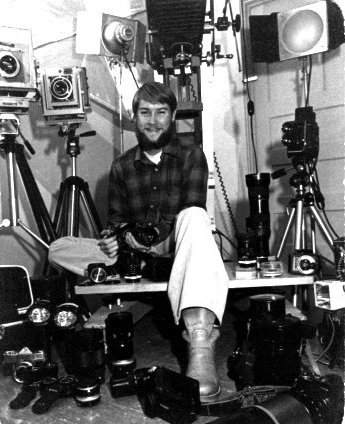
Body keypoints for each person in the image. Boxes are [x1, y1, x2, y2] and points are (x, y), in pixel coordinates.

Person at [48, 81, 229, 402]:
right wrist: (113, 239)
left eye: (161, 112)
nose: (153, 120)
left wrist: (152, 239)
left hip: (177, 250)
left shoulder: (191, 156)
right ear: (134, 117)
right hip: (132, 258)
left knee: (196, 219)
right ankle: (111, 271)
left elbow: (191, 210)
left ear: (173, 116)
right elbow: (115, 222)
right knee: (59, 247)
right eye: (145, 112)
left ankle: (200, 341)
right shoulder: (120, 166)